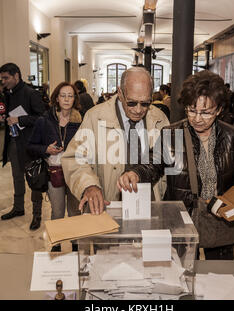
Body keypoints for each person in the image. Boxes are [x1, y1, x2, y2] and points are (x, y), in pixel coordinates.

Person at [118, 70, 234, 260]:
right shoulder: (172, 134)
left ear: (219, 109)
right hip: (181, 219)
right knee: (181, 272)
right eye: (191, 110)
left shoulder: (233, 137)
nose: (197, 118)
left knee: (219, 274)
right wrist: (136, 173)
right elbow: (152, 164)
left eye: (206, 113)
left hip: (221, 220)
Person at [61, 67, 170, 215]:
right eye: (131, 103)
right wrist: (89, 185)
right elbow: (74, 158)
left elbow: (167, 159)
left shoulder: (160, 118)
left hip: (150, 205)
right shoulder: (95, 117)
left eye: (145, 103)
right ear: (120, 92)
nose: (138, 110)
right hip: (110, 206)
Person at [27, 82, 82, 231]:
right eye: (63, 95)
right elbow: (30, 146)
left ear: (74, 99)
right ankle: (56, 246)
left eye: (70, 96)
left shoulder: (80, 121)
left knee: (75, 212)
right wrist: (46, 149)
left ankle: (75, 246)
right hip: (54, 172)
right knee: (57, 212)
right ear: (56, 98)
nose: (66, 99)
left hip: (75, 172)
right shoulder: (44, 121)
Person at [0, 63, 45, 230]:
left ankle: (37, 215)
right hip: (14, 142)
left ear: (16, 75)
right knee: (17, 177)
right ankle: (18, 208)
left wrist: (20, 120)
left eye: (6, 78)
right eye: (2, 78)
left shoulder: (31, 93)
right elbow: (9, 115)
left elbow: (42, 118)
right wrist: (1, 118)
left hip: (30, 144)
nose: (3, 81)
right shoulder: (7, 94)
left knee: (34, 179)